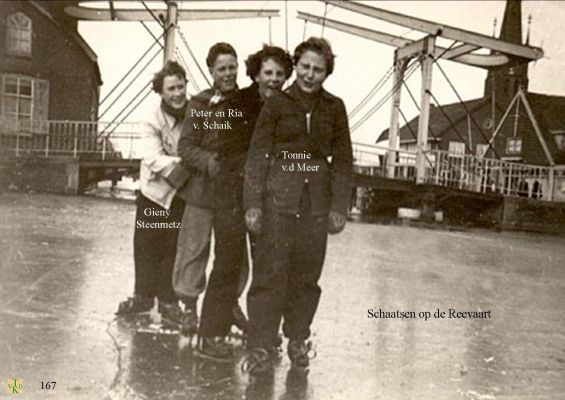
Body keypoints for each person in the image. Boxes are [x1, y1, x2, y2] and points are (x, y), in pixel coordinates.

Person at [243, 37, 353, 372]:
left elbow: (344, 161)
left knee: (306, 277)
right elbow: (258, 154)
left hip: (315, 207)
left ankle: (297, 340)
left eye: (317, 69)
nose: (309, 74)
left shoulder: (335, 108)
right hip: (278, 202)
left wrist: (338, 207)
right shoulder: (276, 104)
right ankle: (261, 345)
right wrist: (253, 204)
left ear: (327, 72)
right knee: (270, 275)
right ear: (297, 66)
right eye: (304, 66)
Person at [175, 42, 254, 359]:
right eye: (221, 68)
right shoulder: (199, 103)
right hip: (202, 190)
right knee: (193, 249)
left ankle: (229, 304)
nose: (228, 73)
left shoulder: (245, 102)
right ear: (211, 71)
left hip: (233, 193)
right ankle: (189, 306)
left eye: (232, 66)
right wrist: (210, 163)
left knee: (234, 255)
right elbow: (185, 147)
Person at [116, 61, 190, 328]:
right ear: (161, 92)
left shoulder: (196, 113)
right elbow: (152, 157)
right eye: (171, 88)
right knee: (147, 246)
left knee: (173, 247)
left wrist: (182, 164)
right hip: (153, 193)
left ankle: (169, 302)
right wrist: (185, 163)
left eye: (181, 86)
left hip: (181, 193)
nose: (177, 94)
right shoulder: (150, 116)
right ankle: (143, 298)